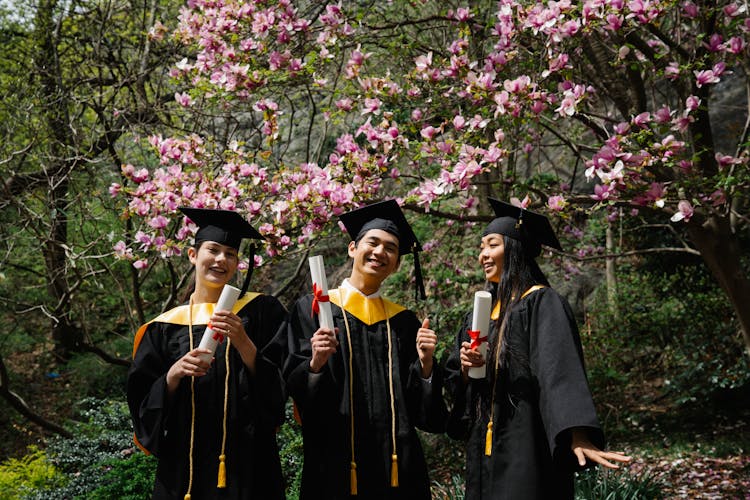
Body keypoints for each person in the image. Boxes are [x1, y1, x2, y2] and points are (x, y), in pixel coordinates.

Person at [445, 198, 631, 499]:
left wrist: (577, 433)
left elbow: (559, 370)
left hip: (526, 442)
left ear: (516, 249)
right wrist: (467, 370)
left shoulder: (541, 302)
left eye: (492, 245)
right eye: (481, 247)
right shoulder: (478, 315)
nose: (483, 255)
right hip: (482, 448)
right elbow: (455, 379)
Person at [282, 199, 447, 500]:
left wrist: (425, 365)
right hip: (335, 462)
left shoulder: (403, 322)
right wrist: (315, 364)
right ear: (352, 249)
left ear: (397, 264)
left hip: (397, 467)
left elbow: (424, 413)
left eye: (391, 248)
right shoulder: (315, 309)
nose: (380, 252)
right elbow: (294, 388)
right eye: (372, 242)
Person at [127, 207, 287, 500]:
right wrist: (173, 375)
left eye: (230, 253)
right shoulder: (162, 328)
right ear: (192, 255)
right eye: (212, 250)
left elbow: (279, 389)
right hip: (184, 469)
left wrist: (243, 341)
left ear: (238, 263)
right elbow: (142, 405)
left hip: (250, 465)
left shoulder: (263, 312)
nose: (220, 259)